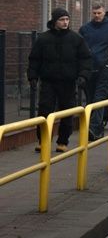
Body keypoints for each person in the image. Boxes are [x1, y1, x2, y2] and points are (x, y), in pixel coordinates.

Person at [27, 8, 93, 152]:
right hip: (48, 81)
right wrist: (32, 77)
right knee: (44, 111)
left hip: (68, 81)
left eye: (67, 19)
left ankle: (62, 142)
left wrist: (83, 76)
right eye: (62, 20)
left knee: (67, 111)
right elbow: (34, 59)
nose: (65, 22)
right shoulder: (43, 39)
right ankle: (43, 140)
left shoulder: (76, 39)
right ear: (54, 21)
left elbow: (85, 59)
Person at [79, 3, 108, 141]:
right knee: (90, 99)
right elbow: (79, 47)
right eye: (94, 13)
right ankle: (96, 128)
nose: (97, 15)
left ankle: (92, 128)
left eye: (99, 13)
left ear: (104, 12)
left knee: (99, 99)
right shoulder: (85, 29)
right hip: (88, 69)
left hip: (104, 70)